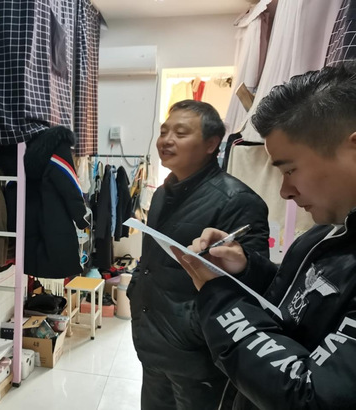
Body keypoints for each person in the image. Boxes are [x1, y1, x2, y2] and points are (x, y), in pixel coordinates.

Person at [173, 62, 356, 410]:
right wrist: (245, 269)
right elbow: (301, 303)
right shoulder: (325, 232)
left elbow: (311, 396)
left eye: (290, 170)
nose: (285, 191)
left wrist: (218, 297)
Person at [126, 100, 270, 410]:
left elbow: (252, 286)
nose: (166, 140)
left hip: (199, 357)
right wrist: (135, 289)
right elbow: (151, 259)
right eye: (164, 131)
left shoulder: (237, 201)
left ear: (211, 144)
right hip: (152, 342)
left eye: (180, 133)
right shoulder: (163, 193)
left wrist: (193, 328)